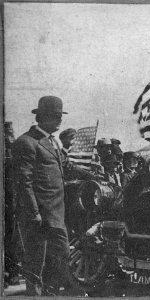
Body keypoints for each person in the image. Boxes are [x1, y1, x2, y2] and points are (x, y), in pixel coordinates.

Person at [12, 96, 72, 295]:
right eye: (56, 116)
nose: (60, 120)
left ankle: (50, 294)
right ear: (42, 117)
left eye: (60, 116)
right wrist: (33, 213)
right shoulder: (27, 142)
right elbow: (24, 182)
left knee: (61, 256)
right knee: (35, 266)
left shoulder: (51, 142)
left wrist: (92, 173)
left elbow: (66, 165)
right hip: (38, 216)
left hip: (55, 216)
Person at [4, 122, 21, 288]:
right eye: (7, 134)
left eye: (11, 134)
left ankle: (12, 272)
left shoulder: (14, 154)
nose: (10, 138)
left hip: (13, 202)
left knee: (12, 239)